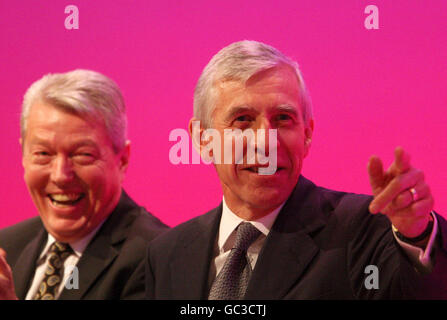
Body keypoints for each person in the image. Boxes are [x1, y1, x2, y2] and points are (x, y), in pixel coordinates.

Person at [145, 40, 447, 299]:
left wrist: (417, 235)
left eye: (283, 119)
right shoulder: (166, 255)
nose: (266, 141)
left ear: (307, 134)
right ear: (202, 139)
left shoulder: (361, 229)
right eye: (243, 120)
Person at [0, 69, 168, 300]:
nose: (60, 175)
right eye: (43, 153)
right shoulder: (7, 245)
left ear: (123, 160)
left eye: (82, 155)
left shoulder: (158, 258)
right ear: (23, 155)